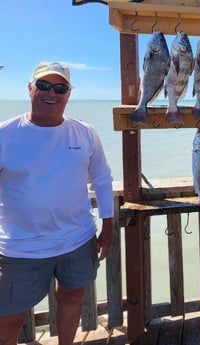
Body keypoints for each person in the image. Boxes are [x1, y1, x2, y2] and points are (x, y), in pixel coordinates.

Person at [0, 62, 114, 345]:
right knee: (7, 320)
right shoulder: (4, 134)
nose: (52, 92)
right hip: (19, 247)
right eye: (43, 85)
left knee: (72, 297)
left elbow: (102, 178)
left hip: (77, 240)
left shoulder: (85, 133)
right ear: (30, 88)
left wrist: (109, 226)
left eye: (60, 88)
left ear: (68, 94)